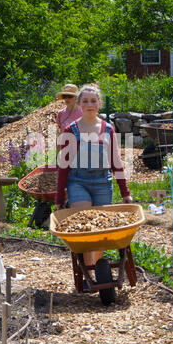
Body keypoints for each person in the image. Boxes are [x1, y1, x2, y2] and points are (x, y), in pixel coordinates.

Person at [56, 84, 132, 277]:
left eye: (94, 100)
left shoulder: (108, 130)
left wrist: (125, 193)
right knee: (84, 226)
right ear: (80, 104)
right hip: (78, 182)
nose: (90, 104)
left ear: (99, 103)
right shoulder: (70, 130)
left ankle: (97, 268)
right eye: (86, 101)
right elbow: (63, 166)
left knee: (100, 231)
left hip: (102, 183)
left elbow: (116, 162)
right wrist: (59, 197)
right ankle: (88, 273)